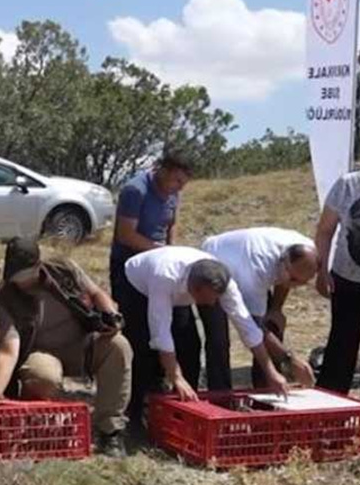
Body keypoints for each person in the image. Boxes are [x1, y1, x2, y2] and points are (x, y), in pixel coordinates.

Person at [0, 238, 132, 456]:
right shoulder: (5, 300)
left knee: (119, 346)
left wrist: (111, 316)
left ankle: (110, 431)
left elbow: (96, 293)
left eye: (25, 276)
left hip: (82, 345)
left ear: (38, 266)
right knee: (42, 375)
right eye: (15, 278)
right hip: (41, 353)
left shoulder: (63, 270)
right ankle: (37, 430)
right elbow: (8, 351)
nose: (21, 283)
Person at [122, 246, 299, 423]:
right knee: (143, 350)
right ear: (196, 289)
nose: (215, 302)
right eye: (212, 297)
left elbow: (247, 327)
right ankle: (135, 414)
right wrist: (176, 377)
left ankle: (184, 411)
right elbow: (160, 333)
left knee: (190, 346)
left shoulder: (224, 281)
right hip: (137, 285)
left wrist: (271, 372)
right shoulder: (164, 278)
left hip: (177, 291)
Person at [109, 150, 205, 387]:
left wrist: (171, 252)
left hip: (163, 265)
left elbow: (171, 224)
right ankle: (140, 391)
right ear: (163, 170)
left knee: (182, 328)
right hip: (132, 268)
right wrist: (159, 252)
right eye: (177, 181)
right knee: (140, 331)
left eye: (184, 183)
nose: (180, 188)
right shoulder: (136, 190)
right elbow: (126, 234)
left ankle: (178, 383)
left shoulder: (173, 194)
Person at [199, 227, 319, 390]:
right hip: (214, 261)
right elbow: (253, 327)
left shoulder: (306, 250)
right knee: (219, 338)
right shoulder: (258, 269)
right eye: (293, 279)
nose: (295, 286)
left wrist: (276, 309)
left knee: (273, 323)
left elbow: (285, 280)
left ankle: (266, 391)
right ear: (283, 262)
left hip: (245, 259)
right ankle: (220, 396)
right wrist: (290, 359)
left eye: (302, 282)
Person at [314, 140, 360, 401]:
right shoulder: (348, 185)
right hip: (348, 279)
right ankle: (331, 403)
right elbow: (325, 230)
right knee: (342, 344)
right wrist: (321, 270)